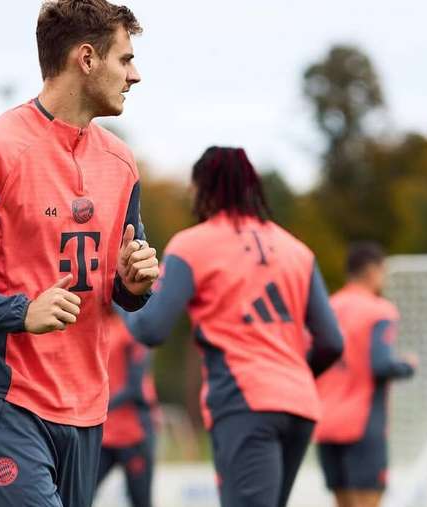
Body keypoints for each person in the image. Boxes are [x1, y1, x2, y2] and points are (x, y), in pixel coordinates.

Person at [0, 1, 159, 505]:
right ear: (86, 58)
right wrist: (18, 312)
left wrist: (133, 283)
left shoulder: (122, 162)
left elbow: (123, 291)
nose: (136, 75)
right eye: (125, 60)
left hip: (87, 409)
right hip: (6, 401)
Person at [124, 146, 345, 507]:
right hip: (299, 405)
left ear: (204, 190)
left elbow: (151, 329)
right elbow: (332, 341)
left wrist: (125, 298)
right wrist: (293, 376)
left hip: (245, 402)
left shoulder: (193, 244)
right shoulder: (297, 250)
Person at [315, 242, 417, 507]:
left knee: (342, 502)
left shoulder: (328, 306)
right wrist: (407, 365)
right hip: (362, 425)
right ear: (372, 271)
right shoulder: (379, 310)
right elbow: (381, 365)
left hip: (326, 421)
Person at [96, 306, 160, 507]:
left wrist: (99, 404)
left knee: (141, 501)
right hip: (105, 435)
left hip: (135, 434)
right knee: (78, 496)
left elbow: (135, 387)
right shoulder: (102, 327)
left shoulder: (135, 329)